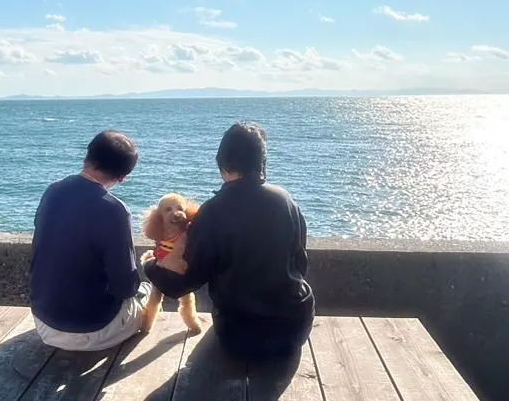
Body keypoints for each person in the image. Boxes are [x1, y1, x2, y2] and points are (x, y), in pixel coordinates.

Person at [144, 121, 314, 359]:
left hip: (239, 335)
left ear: (223, 164)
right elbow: (300, 262)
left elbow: (181, 285)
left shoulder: (213, 212)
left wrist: (150, 265)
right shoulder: (286, 200)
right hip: (295, 329)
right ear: (262, 162)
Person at [29, 129, 150, 350]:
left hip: (43, 323)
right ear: (122, 178)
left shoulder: (52, 191)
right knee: (147, 292)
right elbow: (124, 286)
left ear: (88, 157)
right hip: (93, 331)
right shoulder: (115, 211)